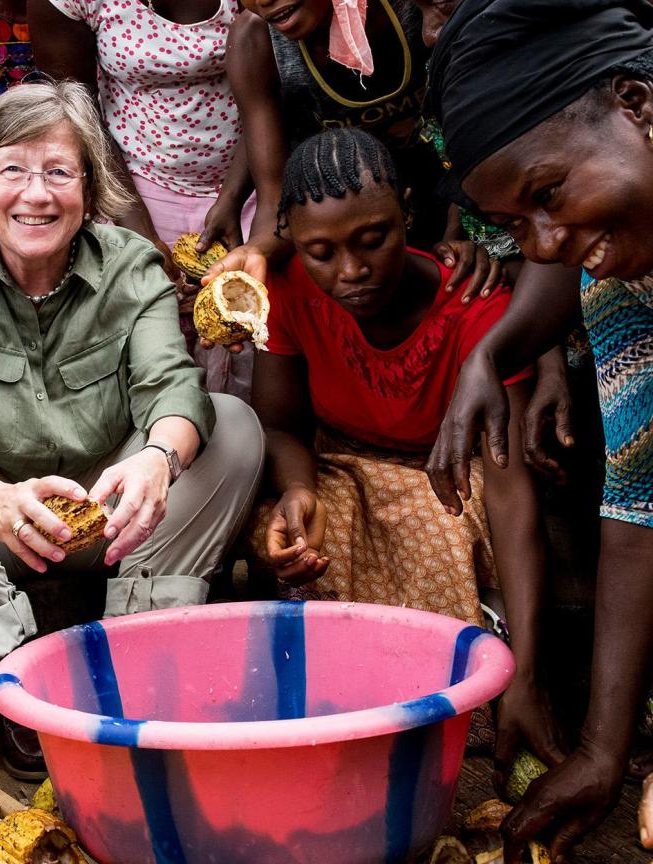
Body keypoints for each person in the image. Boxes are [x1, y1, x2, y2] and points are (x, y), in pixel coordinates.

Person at [0, 80, 264, 776]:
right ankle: (21, 677)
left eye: (59, 173)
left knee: (235, 429)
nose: (34, 195)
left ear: (90, 191)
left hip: (114, 521)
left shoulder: (131, 265)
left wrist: (157, 459)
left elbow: (174, 389)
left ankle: (137, 652)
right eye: (13, 170)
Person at [249, 126, 560, 770]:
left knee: (433, 529)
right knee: (295, 536)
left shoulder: (474, 303)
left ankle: (469, 702)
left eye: (373, 239)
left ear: (408, 214)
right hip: (339, 464)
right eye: (321, 252)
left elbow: (510, 487)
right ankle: (333, 719)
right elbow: (278, 425)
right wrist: (300, 488)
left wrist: (528, 676)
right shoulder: (288, 289)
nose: (352, 271)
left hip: (447, 478)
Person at [423, 0, 653, 858]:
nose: (548, 243)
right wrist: (600, 752)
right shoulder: (625, 283)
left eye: (548, 194)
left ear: (638, 104)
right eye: (518, 227)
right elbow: (637, 504)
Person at [29, 0, 258, 397]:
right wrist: (141, 232)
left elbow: (274, 94)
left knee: (244, 323)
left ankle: (242, 442)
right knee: (152, 324)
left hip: (250, 178)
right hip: (135, 185)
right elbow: (77, 110)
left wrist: (235, 198)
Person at [210, 0, 493, 292]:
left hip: (460, 204)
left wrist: (457, 234)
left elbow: (478, 133)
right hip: (343, 234)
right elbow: (275, 199)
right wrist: (255, 254)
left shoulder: (414, 9)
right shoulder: (255, 40)